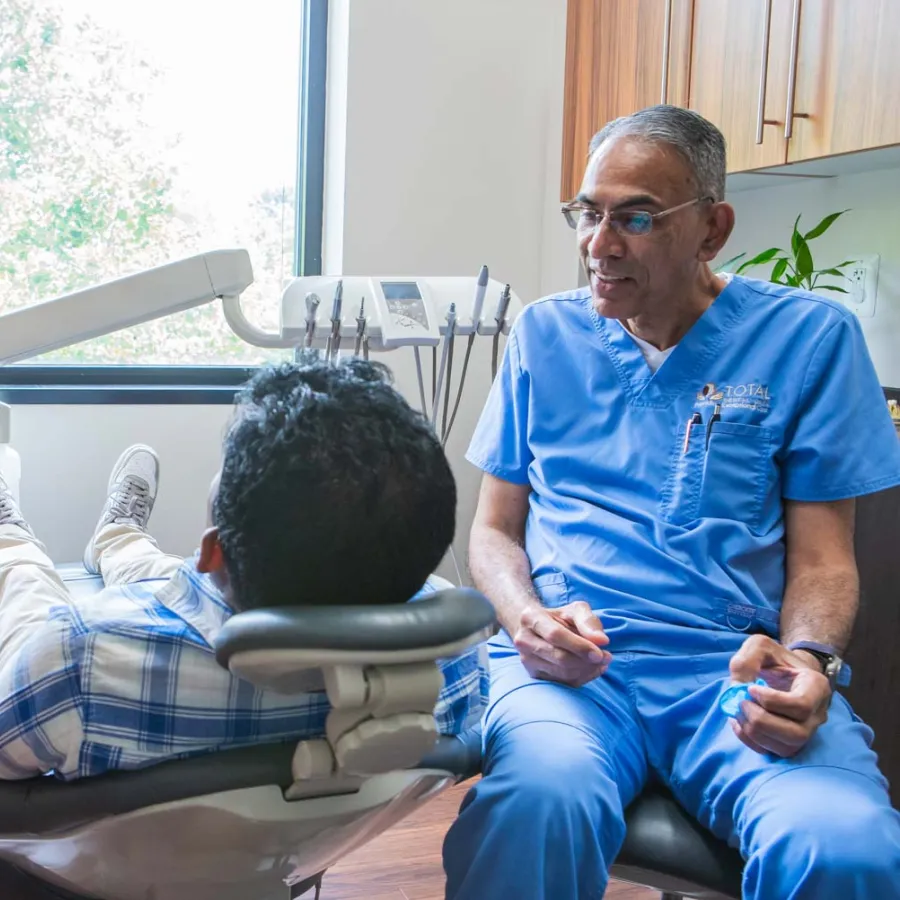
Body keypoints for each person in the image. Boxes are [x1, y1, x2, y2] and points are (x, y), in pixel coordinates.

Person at [443, 105, 900, 899]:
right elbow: (493, 532)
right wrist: (527, 621)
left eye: (635, 217)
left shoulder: (810, 339)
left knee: (845, 849)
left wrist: (810, 662)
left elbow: (826, 561)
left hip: (731, 672)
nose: (598, 243)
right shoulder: (545, 337)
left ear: (712, 230)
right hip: (571, 671)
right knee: (537, 804)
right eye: (587, 213)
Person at [0, 357, 487, 780]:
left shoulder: (80, 659)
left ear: (214, 554)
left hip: (94, 866)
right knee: (167, 575)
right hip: (291, 849)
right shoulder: (456, 661)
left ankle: (11, 537)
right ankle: (117, 537)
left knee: (28, 584)